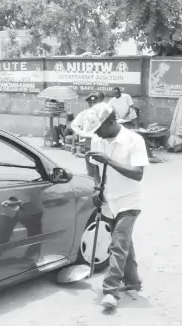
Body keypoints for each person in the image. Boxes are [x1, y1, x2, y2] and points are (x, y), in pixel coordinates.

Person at [79, 104, 149, 310]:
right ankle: (133, 280)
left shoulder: (134, 140)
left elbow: (138, 174)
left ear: (111, 122)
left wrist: (109, 160)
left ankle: (110, 291)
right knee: (124, 242)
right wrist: (95, 187)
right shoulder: (97, 139)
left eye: (98, 128)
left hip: (129, 200)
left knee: (118, 244)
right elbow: (94, 168)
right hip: (109, 199)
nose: (96, 133)